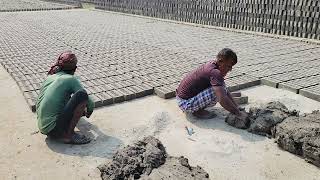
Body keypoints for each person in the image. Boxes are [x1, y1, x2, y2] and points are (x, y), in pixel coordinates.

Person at [36, 51, 94, 144]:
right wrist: (88, 111)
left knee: (67, 95)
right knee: (81, 95)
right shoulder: (71, 79)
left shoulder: (50, 77)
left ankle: (62, 130)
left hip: (43, 126)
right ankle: (68, 135)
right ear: (75, 69)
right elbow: (90, 102)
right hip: (53, 129)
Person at [176, 48, 247, 121]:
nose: (230, 69)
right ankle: (197, 111)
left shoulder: (213, 64)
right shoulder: (214, 72)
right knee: (216, 92)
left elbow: (224, 89)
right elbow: (222, 99)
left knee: (221, 87)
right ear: (220, 61)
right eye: (229, 66)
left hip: (182, 99)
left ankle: (197, 108)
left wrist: (237, 107)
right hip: (185, 103)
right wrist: (238, 114)